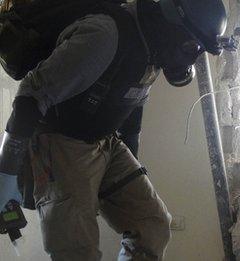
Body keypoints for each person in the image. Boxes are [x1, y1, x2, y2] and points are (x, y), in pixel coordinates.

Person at [0, 0, 227, 260]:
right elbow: (31, 94)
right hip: (61, 143)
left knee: (152, 227)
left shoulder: (153, 46)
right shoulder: (105, 36)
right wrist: (6, 172)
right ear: (172, 23)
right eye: (192, 46)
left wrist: (129, 173)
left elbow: (133, 106)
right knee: (77, 251)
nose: (191, 55)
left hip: (105, 140)